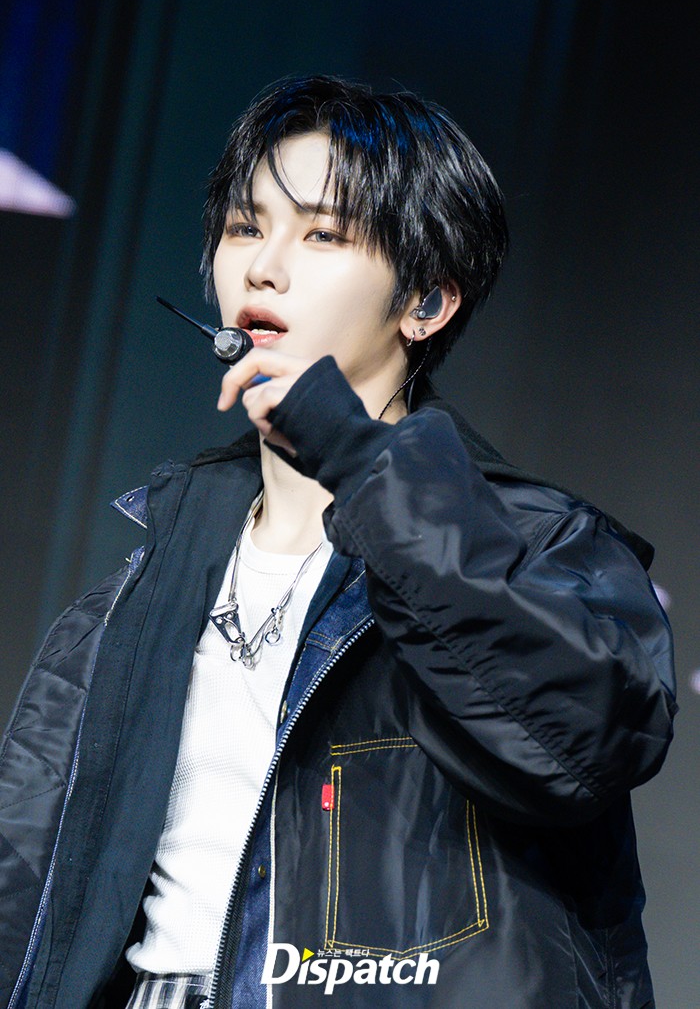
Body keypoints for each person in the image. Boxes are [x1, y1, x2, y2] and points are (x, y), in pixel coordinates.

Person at [0, 75, 675, 1009]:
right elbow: (29, 878)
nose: (264, 268)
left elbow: (581, 744)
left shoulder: (540, 544)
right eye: (245, 227)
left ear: (426, 303)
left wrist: (357, 456)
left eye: (323, 235)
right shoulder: (153, 570)